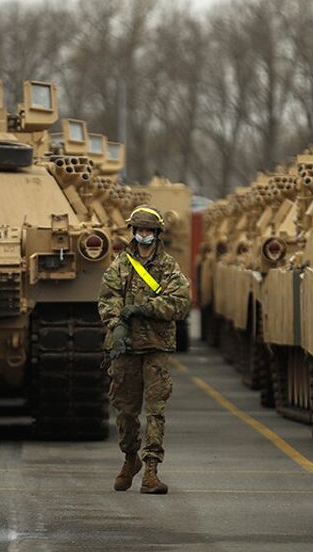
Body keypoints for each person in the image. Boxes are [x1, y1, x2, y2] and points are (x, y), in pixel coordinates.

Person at [97, 205, 191, 495]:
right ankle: (130, 459)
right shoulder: (120, 265)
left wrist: (146, 308)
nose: (143, 235)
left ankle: (151, 469)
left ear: (157, 234)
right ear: (133, 232)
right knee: (125, 411)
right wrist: (117, 323)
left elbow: (180, 302)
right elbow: (107, 299)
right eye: (139, 230)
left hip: (156, 346)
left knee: (155, 411)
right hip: (126, 348)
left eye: (149, 231)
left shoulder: (168, 267)